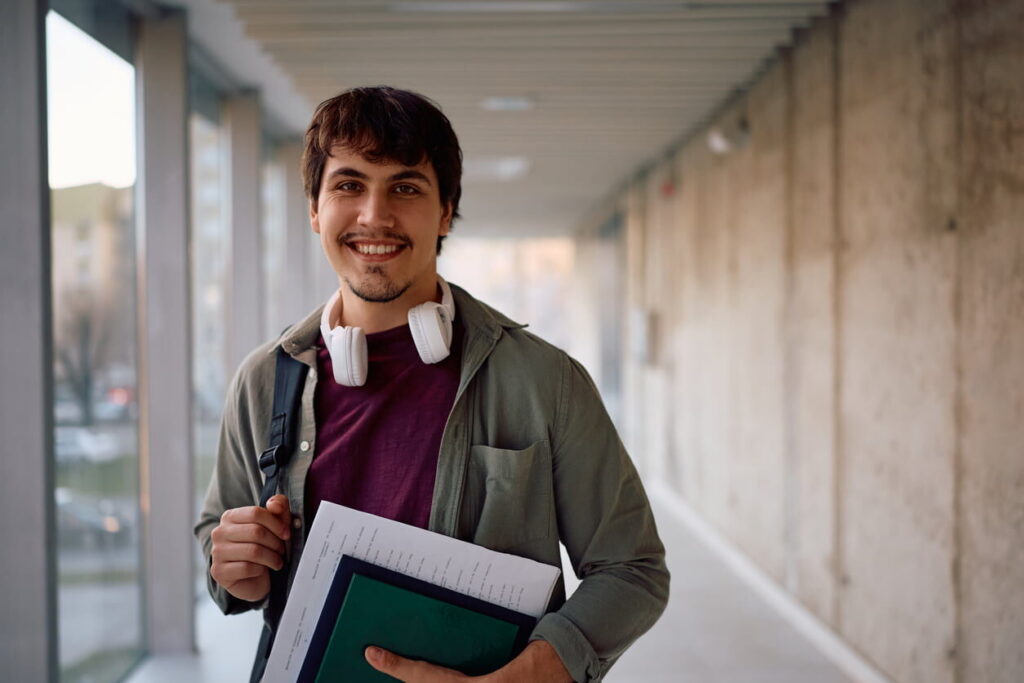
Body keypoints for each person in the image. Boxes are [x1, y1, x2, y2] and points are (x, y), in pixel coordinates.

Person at [194, 86, 669, 682]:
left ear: (446, 211)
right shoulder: (262, 381)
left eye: (406, 187)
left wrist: (530, 675)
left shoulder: (547, 382)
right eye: (348, 185)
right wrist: (234, 565)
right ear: (314, 209)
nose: (374, 215)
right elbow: (220, 544)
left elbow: (633, 569)